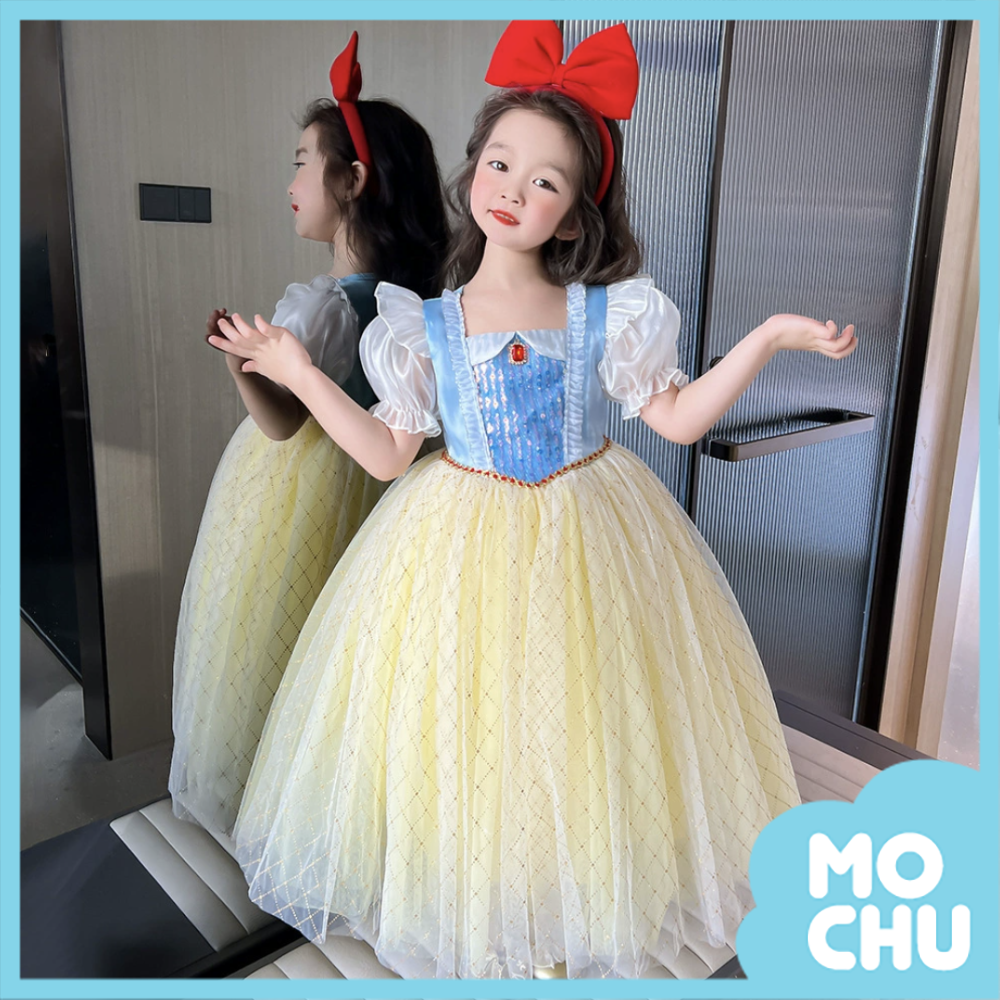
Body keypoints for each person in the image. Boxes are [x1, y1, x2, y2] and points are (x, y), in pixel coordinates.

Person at [213, 21, 856, 978]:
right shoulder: (422, 325)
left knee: (585, 731)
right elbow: (387, 455)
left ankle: (564, 917)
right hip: (454, 544)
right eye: (501, 163)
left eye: (546, 180)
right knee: (463, 727)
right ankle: (481, 914)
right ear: (474, 169)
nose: (514, 189)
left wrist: (764, 338)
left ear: (573, 216)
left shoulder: (609, 311)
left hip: (593, 538)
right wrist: (299, 372)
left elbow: (676, 419)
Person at [169, 32, 448, 841]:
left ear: (352, 180)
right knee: (359, 661)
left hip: (306, 496)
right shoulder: (414, 303)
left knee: (278, 649)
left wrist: (240, 363)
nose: (291, 184)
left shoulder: (322, 305)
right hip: (389, 499)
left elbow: (284, 422)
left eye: (302, 163)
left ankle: (274, 816)